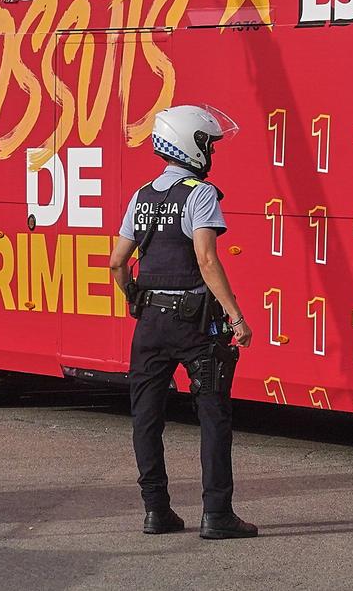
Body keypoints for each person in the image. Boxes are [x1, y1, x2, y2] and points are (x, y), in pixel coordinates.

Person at [107, 105, 257, 539]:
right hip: (195, 326)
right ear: (192, 143)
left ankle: (156, 511)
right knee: (212, 415)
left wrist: (136, 301)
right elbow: (207, 259)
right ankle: (217, 515)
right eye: (208, 143)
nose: (211, 151)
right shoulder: (201, 194)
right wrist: (237, 316)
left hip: (150, 325)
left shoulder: (142, 196)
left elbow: (117, 263)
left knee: (146, 417)